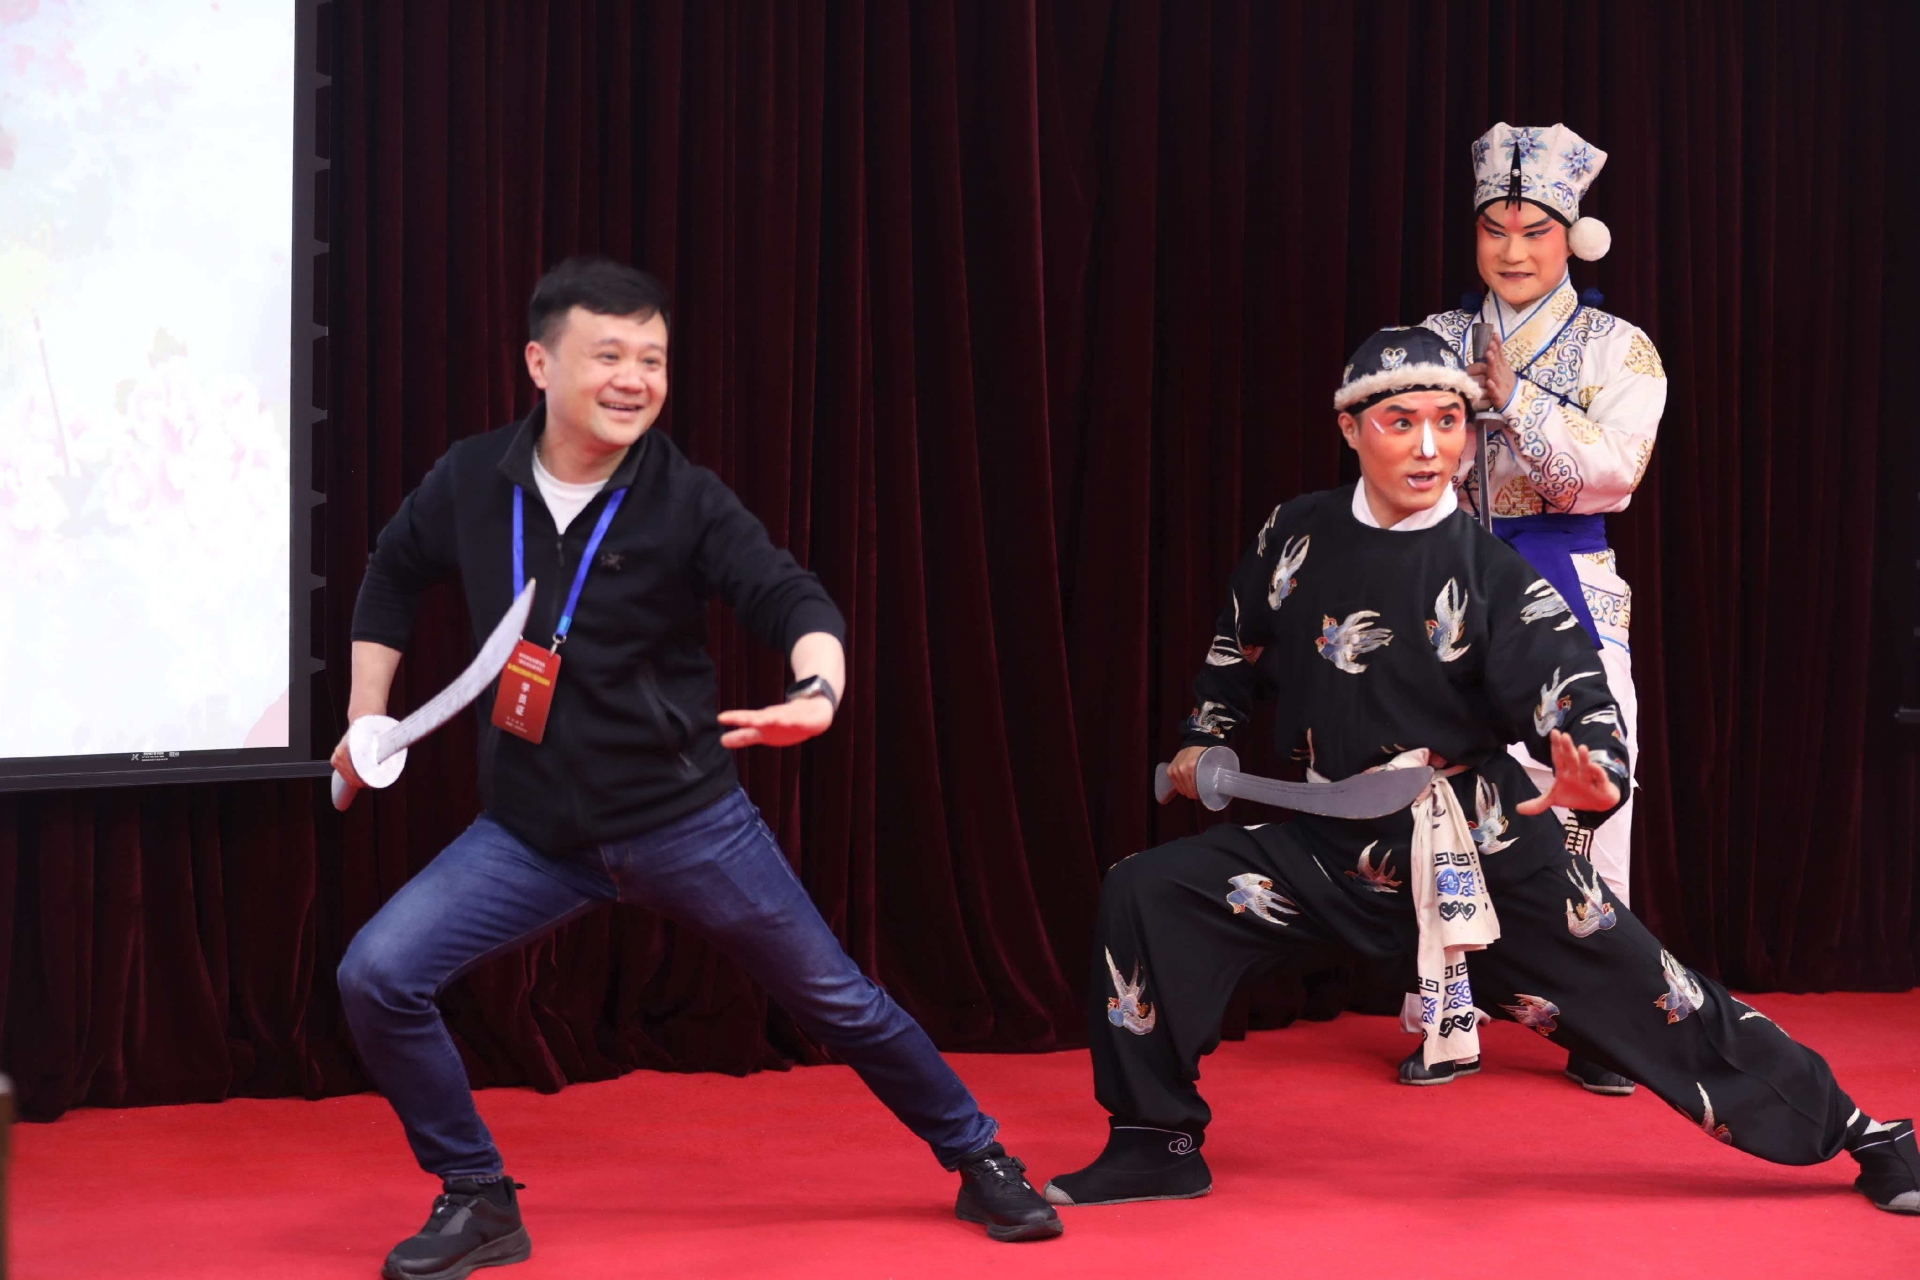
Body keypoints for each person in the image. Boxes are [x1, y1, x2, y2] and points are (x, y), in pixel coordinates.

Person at [1040, 328, 1918, 1219]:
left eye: (1449, 422)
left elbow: (1576, 697)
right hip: (1325, 845)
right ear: (1349, 428)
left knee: (1667, 1004)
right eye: (1400, 422)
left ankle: (1865, 1133)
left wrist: (1596, 776)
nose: (1430, 448)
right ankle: (1154, 1142)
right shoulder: (1294, 532)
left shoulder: (1490, 573)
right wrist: (1205, 737)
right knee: (1146, 893)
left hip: (1479, 851)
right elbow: (1235, 653)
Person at [335, 257, 1061, 1280]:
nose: (635, 379)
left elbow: (793, 599)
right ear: (540, 363)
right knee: (376, 974)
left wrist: (818, 692)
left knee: (838, 1000)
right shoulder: (470, 478)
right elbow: (392, 570)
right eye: (609, 355)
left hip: (685, 822)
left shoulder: (685, 497)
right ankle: (477, 1194)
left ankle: (980, 1155)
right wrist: (368, 716)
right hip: (532, 832)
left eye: (654, 359)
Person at [1411, 122, 1665, 1095]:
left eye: (1534, 231)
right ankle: (1448, 1008)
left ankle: (1606, 1021)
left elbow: (1612, 477)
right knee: (1436, 795)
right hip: (1450, 590)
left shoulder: (1618, 348)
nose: (1512, 251)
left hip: (1566, 589)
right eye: (1495, 230)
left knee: (1589, 798)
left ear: (1574, 236)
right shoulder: (1433, 338)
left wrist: (1517, 402)